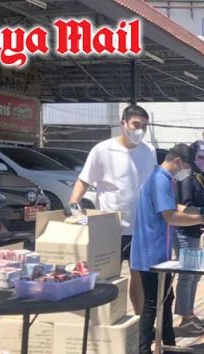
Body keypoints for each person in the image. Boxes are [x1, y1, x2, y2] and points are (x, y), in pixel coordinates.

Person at [131, 144, 204, 354]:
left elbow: (175, 206)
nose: (187, 172)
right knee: (152, 303)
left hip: (161, 252)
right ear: (178, 161)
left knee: (166, 299)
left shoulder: (165, 179)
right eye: (188, 166)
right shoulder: (159, 179)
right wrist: (202, 220)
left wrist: (200, 212)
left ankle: (169, 347)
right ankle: (143, 352)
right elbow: (170, 216)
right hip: (150, 252)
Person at [70, 104, 155, 316]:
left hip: (140, 228)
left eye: (144, 126)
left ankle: (139, 322)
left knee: (139, 277)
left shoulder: (149, 151)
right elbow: (84, 180)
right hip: (110, 229)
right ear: (123, 123)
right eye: (136, 125)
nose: (140, 130)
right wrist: (73, 204)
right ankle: (105, 321)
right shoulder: (102, 150)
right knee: (107, 278)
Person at [174, 141, 204, 332]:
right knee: (187, 275)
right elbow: (185, 206)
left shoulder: (203, 177)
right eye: (201, 157)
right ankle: (184, 318)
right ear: (193, 158)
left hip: (201, 232)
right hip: (186, 232)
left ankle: (190, 312)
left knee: (196, 275)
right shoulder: (187, 178)